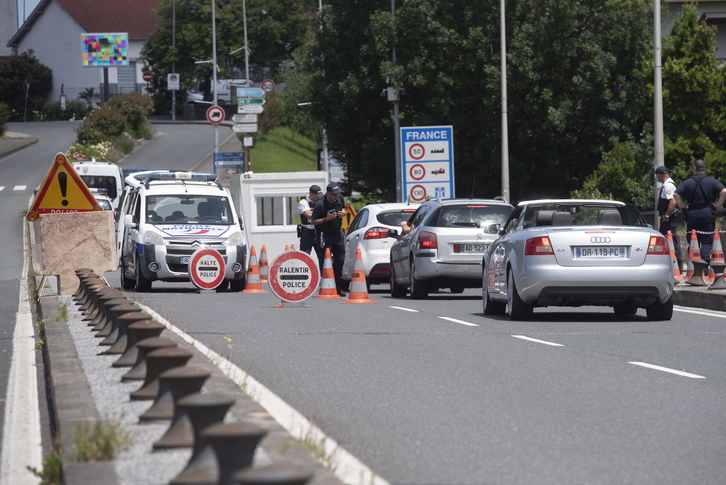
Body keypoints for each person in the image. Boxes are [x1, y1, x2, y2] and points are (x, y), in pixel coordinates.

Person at [673, 159, 726, 263]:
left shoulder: (687, 183)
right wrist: (717, 205)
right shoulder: (712, 181)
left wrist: (683, 206)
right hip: (707, 213)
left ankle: (692, 265)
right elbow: (724, 192)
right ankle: (704, 264)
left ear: (694, 168)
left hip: (692, 213)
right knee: (707, 241)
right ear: (704, 169)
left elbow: (675, 195)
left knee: (693, 239)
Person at [311, 182, 347, 296]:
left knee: (340, 260)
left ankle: (339, 288)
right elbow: (313, 221)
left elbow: (345, 208)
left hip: (337, 233)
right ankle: (326, 286)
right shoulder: (320, 204)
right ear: (328, 194)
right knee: (324, 260)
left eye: (337, 194)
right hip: (324, 233)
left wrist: (344, 213)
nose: (336, 196)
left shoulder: (340, 198)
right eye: (334, 194)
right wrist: (326, 219)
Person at [655, 166, 682, 271]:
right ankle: (675, 264)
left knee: (670, 241)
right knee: (670, 241)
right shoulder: (670, 184)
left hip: (669, 219)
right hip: (669, 218)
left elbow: (672, 202)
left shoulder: (667, 186)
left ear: (659, 175)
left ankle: (677, 265)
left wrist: (666, 216)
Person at [297, 184, 324, 257]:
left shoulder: (321, 201)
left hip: (318, 232)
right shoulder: (303, 202)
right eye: (316, 195)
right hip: (307, 232)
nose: (319, 197)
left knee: (322, 255)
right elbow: (308, 214)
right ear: (311, 194)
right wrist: (320, 212)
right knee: (304, 256)